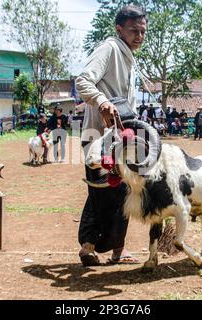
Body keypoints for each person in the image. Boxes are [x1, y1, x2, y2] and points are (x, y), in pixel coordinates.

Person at [75, 4, 147, 266]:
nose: (139, 36)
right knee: (101, 190)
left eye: (142, 31)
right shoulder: (110, 49)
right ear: (119, 29)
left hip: (121, 138)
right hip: (97, 136)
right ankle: (90, 248)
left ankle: (112, 249)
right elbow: (83, 81)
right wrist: (102, 102)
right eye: (133, 30)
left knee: (120, 190)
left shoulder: (128, 56)